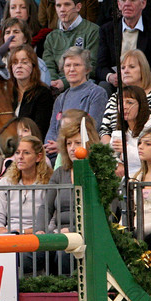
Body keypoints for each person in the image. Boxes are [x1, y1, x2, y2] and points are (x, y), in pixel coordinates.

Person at [35, 115, 100, 272]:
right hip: (59, 233)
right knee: (34, 254)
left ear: (88, 144)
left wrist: (72, 230)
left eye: (77, 143)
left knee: (64, 253)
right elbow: (46, 207)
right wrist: (41, 230)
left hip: (87, 234)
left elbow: (99, 213)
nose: (72, 148)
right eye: (69, 143)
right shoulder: (59, 173)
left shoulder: (98, 172)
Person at [96, 0, 151, 89]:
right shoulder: (107, 30)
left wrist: (138, 77)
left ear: (143, 3)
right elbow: (101, 66)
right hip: (117, 82)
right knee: (103, 86)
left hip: (143, 81)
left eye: (132, 0)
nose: (127, 4)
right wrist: (110, 77)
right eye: (123, 0)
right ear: (119, 4)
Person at [43, 47, 107, 153]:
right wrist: (49, 146)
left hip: (82, 153)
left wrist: (62, 146)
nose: (71, 69)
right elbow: (52, 130)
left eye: (77, 65)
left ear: (87, 69)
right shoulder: (60, 98)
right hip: (56, 153)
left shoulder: (97, 93)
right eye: (68, 65)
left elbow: (92, 130)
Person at [98, 49, 151, 140]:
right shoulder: (114, 98)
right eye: (123, 68)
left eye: (131, 67)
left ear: (143, 69)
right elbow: (104, 131)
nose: (126, 71)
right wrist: (112, 151)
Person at [43, 0, 99, 90]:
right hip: (55, 86)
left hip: (84, 85)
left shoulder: (93, 31)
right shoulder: (51, 37)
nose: (62, 9)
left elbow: (92, 66)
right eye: (58, 5)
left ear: (78, 7)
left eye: (67, 4)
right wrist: (54, 82)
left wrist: (64, 83)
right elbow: (48, 66)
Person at [0, 135, 51, 233]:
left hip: (38, 236)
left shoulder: (49, 182)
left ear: (38, 157)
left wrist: (23, 232)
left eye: (26, 153)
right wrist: (2, 231)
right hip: (10, 236)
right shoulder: (5, 182)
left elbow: (51, 223)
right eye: (17, 153)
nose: (20, 157)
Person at [107, 85, 151, 176]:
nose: (124, 107)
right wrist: (117, 164)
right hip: (127, 179)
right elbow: (111, 155)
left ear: (141, 105)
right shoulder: (121, 129)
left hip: (150, 176)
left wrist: (126, 150)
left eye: (129, 102)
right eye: (120, 103)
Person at [9, 43, 54, 137]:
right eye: (15, 62)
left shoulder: (43, 93)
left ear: (33, 66)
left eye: (24, 62)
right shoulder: (6, 93)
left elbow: (40, 130)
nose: (19, 66)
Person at [0, 18, 50, 83]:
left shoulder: (38, 64)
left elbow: (44, 88)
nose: (11, 36)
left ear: (25, 38)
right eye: (7, 32)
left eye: (16, 32)